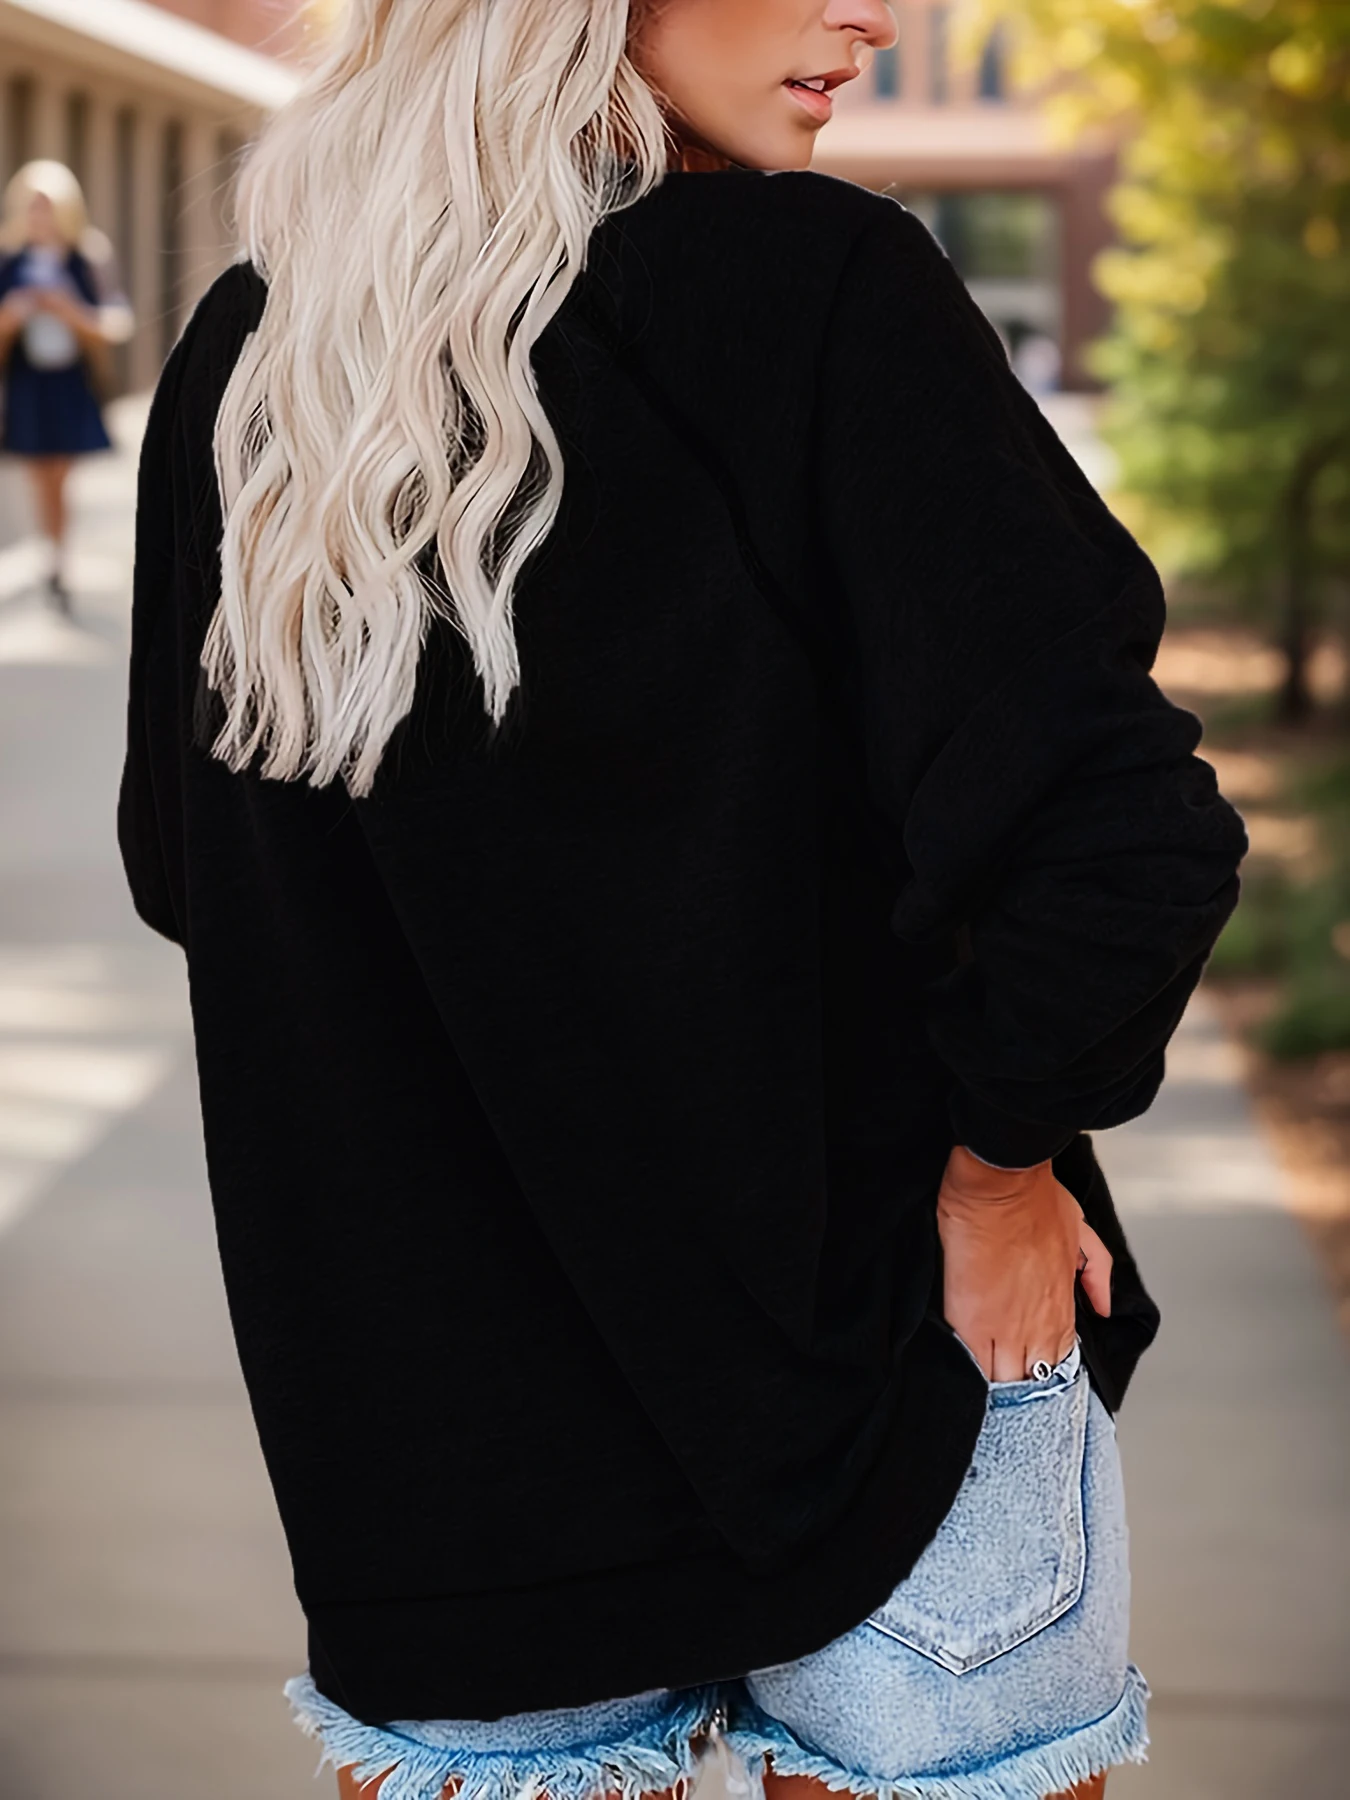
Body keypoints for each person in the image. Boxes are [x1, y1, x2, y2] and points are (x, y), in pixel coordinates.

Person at [118, 3, 1248, 1798]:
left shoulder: (255, 356)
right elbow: (1120, 835)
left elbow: (193, 872)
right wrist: (1000, 1167)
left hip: (443, 1455)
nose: (870, 16)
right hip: (881, 1379)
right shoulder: (822, 289)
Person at [0, 160, 133, 616]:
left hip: (70, 381)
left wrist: (69, 311)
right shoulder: (11, 261)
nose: (40, 216)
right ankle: (52, 554)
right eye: (33, 206)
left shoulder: (85, 257)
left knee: (60, 472)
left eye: (48, 206)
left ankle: (58, 553)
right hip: (29, 382)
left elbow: (116, 322)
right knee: (41, 473)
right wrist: (15, 314)